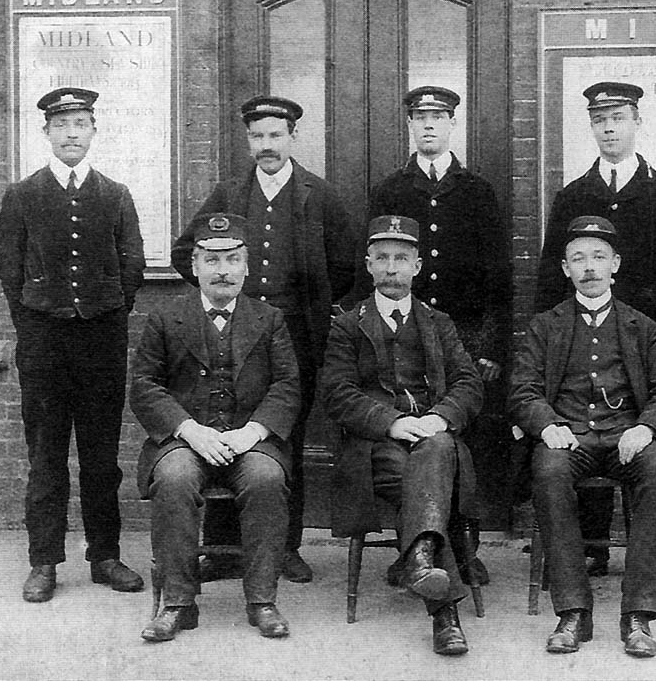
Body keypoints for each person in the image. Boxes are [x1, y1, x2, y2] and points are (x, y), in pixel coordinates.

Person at [171, 96, 357, 583]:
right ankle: (223, 547)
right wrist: (221, 301)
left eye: (276, 136)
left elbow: (345, 266)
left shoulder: (319, 195)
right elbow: (184, 252)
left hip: (297, 335)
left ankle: (284, 547)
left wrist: (313, 307)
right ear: (248, 141)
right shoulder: (229, 194)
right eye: (258, 137)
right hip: (233, 334)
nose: (267, 146)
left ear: (293, 137)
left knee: (283, 435)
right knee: (224, 419)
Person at [534, 81, 656, 584]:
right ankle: (591, 549)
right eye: (600, 120)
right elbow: (548, 276)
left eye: (618, 118)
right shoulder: (575, 195)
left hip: (648, 342)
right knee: (585, 417)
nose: (609, 128)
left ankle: (652, 556)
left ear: (636, 123)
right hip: (584, 333)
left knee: (645, 441)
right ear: (592, 126)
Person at [509, 216, 656, 658]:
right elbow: (522, 390)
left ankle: (640, 614)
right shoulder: (544, 326)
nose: (589, 267)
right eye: (578, 259)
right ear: (565, 270)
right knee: (548, 471)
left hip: (627, 436)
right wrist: (548, 425)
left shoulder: (642, 327)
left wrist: (646, 427)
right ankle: (572, 612)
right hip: (568, 437)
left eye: (598, 257)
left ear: (616, 265)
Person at [0, 87, 146, 603]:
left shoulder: (115, 194)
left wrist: (104, 314)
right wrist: (37, 321)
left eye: (81, 123)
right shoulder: (22, 196)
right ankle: (44, 562)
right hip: (43, 343)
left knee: (102, 457)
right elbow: (8, 270)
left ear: (94, 130)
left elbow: (132, 268)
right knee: (47, 455)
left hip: (101, 340)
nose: (72, 134)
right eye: (62, 125)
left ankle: (104, 555)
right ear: (47, 134)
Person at [357, 85, 512, 585]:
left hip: (463, 331)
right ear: (410, 126)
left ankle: (466, 546)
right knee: (416, 436)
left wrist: (489, 346)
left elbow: (498, 275)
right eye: (419, 118)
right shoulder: (391, 189)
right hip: (407, 327)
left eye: (438, 118)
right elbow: (379, 266)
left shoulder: (476, 190)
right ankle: (420, 546)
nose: (428, 127)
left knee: (465, 434)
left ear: (451, 126)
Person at [130, 213, 300, 642]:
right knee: (174, 478)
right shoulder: (166, 318)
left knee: (266, 477)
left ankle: (262, 600)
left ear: (247, 266)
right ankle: (177, 604)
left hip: (248, 439)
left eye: (231, 260)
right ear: (194, 266)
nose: (222, 270)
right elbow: (145, 386)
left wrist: (253, 431)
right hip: (187, 440)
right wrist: (189, 430)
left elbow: (287, 385)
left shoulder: (269, 319)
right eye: (211, 260)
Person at [322, 215, 484, 656]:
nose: (392, 268)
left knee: (435, 449)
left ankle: (419, 559)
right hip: (377, 446)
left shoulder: (438, 323)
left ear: (416, 266)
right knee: (424, 468)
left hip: (435, 437)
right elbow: (337, 393)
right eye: (383, 259)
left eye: (401, 259)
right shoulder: (348, 324)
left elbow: (468, 383)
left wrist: (439, 417)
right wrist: (391, 422)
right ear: (369, 265)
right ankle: (442, 609)